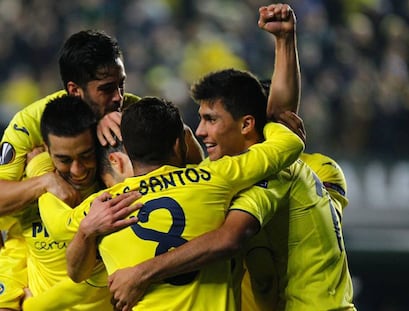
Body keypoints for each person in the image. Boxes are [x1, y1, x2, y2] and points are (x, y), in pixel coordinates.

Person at [100, 4, 355, 311]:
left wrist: (140, 274)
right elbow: (175, 144)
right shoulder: (226, 172)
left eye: (211, 120)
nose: (201, 131)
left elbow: (228, 239)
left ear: (248, 124)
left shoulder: (273, 171)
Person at [60, 94, 303, 311]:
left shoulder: (105, 207)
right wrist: (270, 121)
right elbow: (290, 144)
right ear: (179, 143)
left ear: (128, 151)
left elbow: (76, 272)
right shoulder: (216, 177)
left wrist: (85, 231)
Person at [0, 29, 140, 310]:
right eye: (107, 88)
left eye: (121, 85)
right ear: (75, 91)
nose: (119, 97)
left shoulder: (132, 111)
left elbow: (187, 156)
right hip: (34, 255)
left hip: (102, 270)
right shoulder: (29, 124)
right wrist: (44, 182)